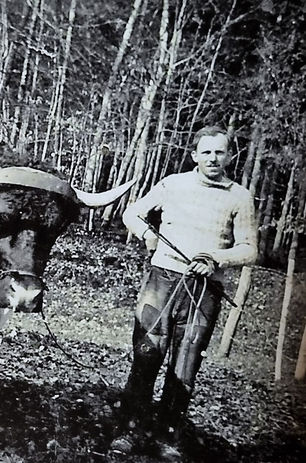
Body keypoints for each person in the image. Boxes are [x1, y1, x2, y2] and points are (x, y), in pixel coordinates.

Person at [111, 126, 258, 458]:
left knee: (185, 365)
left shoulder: (240, 196)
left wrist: (214, 258)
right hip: (161, 281)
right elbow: (132, 212)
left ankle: (167, 437)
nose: (213, 158)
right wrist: (148, 235)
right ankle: (129, 431)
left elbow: (249, 249)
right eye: (206, 152)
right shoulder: (172, 184)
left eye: (220, 152)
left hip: (204, 289)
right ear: (194, 155)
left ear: (230, 156)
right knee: (146, 356)